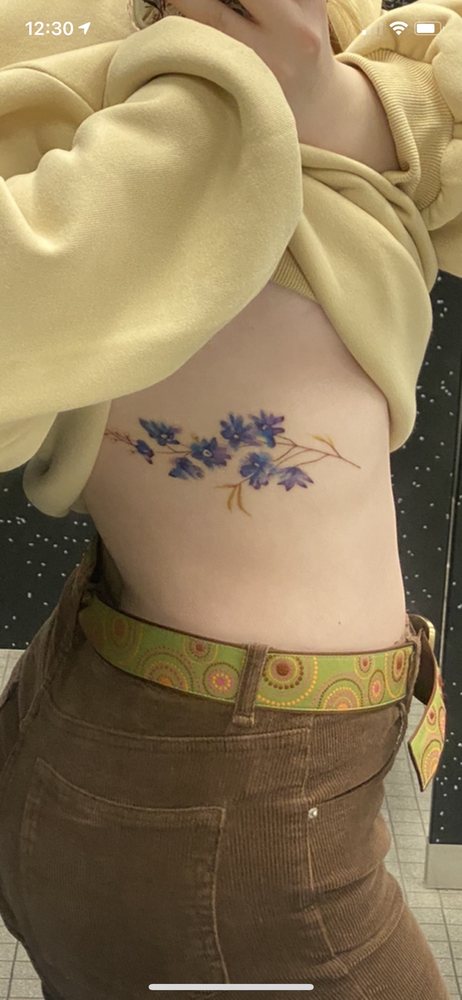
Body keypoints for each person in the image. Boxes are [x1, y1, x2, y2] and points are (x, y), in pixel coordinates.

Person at [0, 0, 460, 997]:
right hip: (220, 794)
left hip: (191, 755)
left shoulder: (336, 38)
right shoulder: (68, 58)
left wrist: (335, 97)